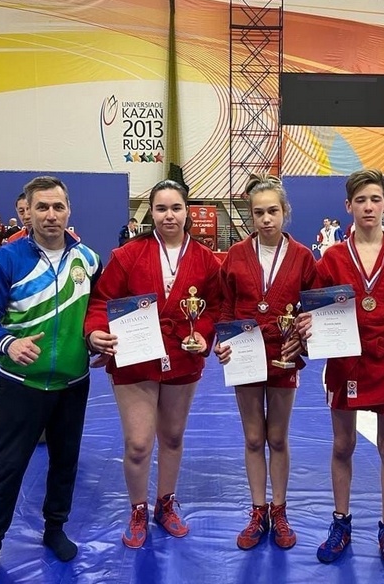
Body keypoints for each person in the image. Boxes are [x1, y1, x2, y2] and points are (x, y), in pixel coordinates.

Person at [297, 169, 384, 577]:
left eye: (375, 199)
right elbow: (315, 308)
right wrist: (308, 324)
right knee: (343, 445)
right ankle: (341, 522)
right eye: (361, 200)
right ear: (348, 207)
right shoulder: (332, 259)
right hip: (346, 364)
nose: (368, 207)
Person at [0, 176, 101, 584]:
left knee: (65, 463)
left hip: (73, 385)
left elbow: (98, 312)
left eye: (58, 206)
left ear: (69, 210)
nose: (50, 215)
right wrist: (8, 343)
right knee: (6, 468)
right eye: (42, 207)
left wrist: (96, 337)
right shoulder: (6, 260)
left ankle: (54, 528)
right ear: (27, 212)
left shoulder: (88, 260)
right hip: (20, 385)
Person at [84, 179, 221, 549]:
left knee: (172, 437)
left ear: (187, 211)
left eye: (176, 208)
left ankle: (166, 503)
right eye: (161, 209)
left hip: (182, 356)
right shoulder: (127, 255)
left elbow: (215, 306)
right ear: (151, 213)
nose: (169, 215)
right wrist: (95, 332)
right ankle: (138, 509)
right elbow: (101, 300)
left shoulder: (206, 259)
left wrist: (203, 334)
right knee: (139, 443)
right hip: (135, 359)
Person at [214, 174, 317, 551]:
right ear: (251, 215)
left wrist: (301, 340)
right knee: (254, 438)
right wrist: (221, 341)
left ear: (285, 211)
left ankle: (280, 509)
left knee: (277, 437)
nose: (266, 219)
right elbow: (225, 306)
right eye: (258, 212)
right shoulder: (236, 255)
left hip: (283, 354)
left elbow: (313, 312)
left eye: (273, 210)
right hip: (244, 354)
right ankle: (258, 511)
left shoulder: (303, 257)